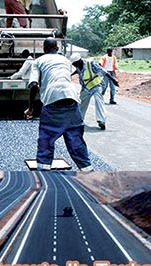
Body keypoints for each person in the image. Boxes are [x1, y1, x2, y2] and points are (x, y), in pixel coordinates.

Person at [24, 38, 93, 172]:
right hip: (72, 102)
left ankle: (43, 175)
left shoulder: (38, 61)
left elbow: (33, 85)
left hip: (53, 104)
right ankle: (89, 174)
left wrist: (31, 108)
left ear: (44, 50)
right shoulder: (66, 61)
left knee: (46, 141)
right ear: (57, 49)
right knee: (77, 143)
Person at [70, 53, 118, 130]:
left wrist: (113, 80)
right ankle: (79, 119)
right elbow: (77, 71)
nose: (74, 65)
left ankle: (101, 121)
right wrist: (69, 75)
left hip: (96, 85)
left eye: (74, 64)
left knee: (99, 101)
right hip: (86, 88)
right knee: (81, 103)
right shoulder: (78, 67)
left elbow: (103, 71)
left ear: (79, 61)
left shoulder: (90, 64)